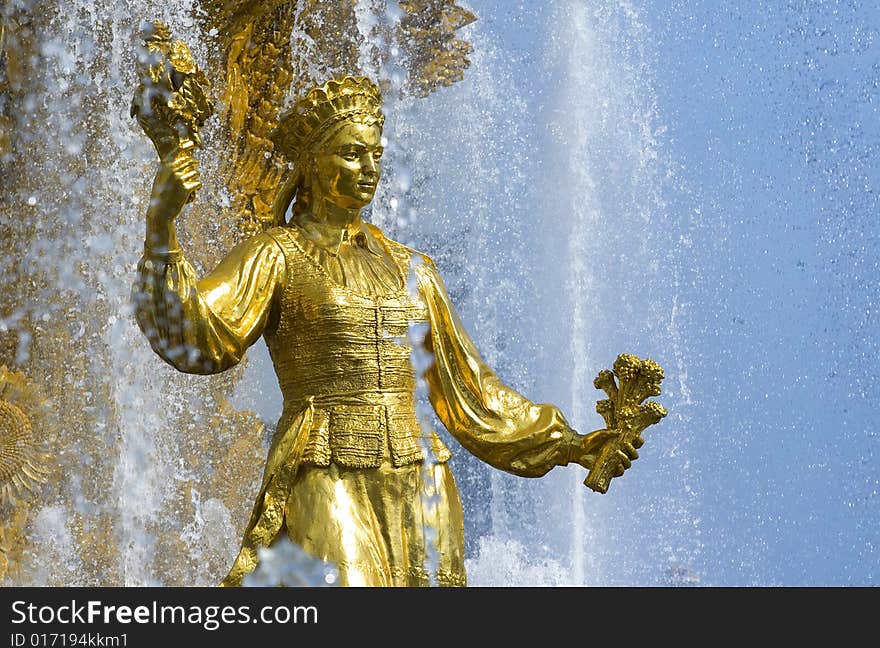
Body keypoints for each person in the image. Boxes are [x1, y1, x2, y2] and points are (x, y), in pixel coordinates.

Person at [132, 76, 641, 587]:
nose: (369, 168)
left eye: (375, 153)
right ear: (311, 162)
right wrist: (162, 225)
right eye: (352, 154)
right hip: (325, 469)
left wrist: (571, 445)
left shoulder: (414, 269)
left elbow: (471, 392)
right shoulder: (275, 253)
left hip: (421, 482)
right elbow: (199, 334)